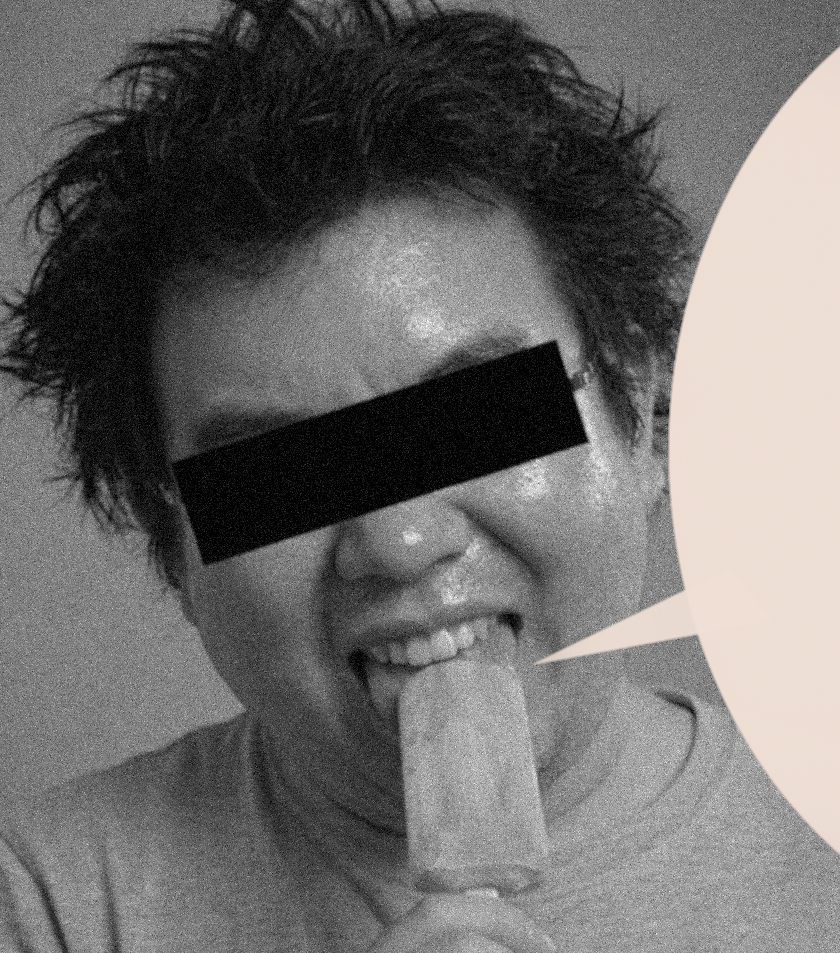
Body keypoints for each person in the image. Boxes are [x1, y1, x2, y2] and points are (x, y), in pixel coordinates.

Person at [1, 1, 838, 950]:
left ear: (640, 417)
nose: (399, 542)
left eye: (475, 417)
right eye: (279, 474)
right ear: (173, 552)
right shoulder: (46, 904)